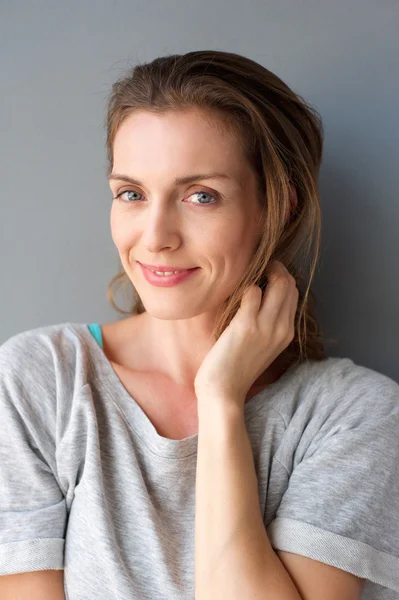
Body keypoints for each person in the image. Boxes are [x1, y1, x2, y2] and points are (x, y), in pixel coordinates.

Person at [0, 50, 398, 600]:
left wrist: (221, 398)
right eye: (132, 194)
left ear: (277, 208)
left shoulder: (355, 418)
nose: (156, 234)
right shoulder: (38, 382)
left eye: (200, 196)